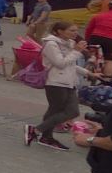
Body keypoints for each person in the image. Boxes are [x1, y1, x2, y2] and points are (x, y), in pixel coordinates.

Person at [26, 21, 84, 151]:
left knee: (72, 111)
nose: (75, 33)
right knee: (56, 110)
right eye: (72, 30)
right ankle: (44, 135)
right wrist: (77, 51)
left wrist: (89, 73)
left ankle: (38, 131)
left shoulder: (69, 43)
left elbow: (71, 64)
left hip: (70, 81)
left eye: (76, 30)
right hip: (56, 81)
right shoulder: (51, 44)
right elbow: (60, 63)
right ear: (59, 31)